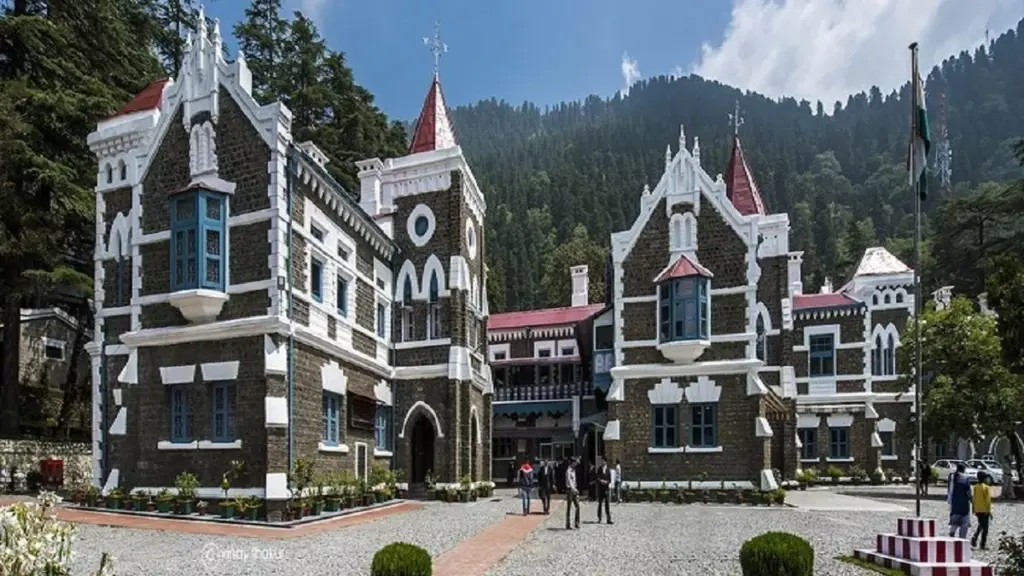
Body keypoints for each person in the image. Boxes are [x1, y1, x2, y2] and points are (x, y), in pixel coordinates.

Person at [947, 462, 972, 538]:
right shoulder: (965, 479)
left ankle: (952, 533)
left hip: (954, 504)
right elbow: (968, 492)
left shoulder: (952, 477)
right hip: (964, 504)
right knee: (965, 523)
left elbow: (950, 491)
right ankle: (962, 538)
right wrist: (971, 499)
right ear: (964, 470)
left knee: (954, 522)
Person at [972, 472, 993, 549]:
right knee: (985, 529)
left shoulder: (975, 487)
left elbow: (974, 498)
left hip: (978, 510)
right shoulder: (986, 487)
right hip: (985, 510)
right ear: (984, 479)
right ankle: (982, 544)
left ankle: (975, 537)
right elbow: (987, 501)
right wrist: (989, 511)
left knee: (981, 524)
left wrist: (973, 508)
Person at [595, 457, 613, 524]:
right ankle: (599, 518)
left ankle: (608, 519)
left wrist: (606, 482)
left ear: (605, 461)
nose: (602, 462)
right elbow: (597, 477)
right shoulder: (599, 469)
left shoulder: (608, 469)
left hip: (606, 488)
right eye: (601, 461)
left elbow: (610, 479)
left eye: (603, 461)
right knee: (600, 504)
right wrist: (601, 481)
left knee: (607, 504)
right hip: (601, 488)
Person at [565, 458, 581, 530]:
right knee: (569, 507)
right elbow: (569, 481)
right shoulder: (568, 471)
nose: (576, 464)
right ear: (572, 463)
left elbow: (574, 481)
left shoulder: (574, 470)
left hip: (574, 490)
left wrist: (575, 488)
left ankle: (577, 522)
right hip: (570, 490)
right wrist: (574, 489)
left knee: (577, 506)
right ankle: (568, 524)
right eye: (575, 462)